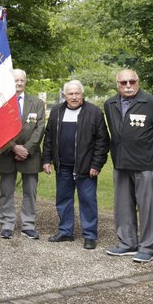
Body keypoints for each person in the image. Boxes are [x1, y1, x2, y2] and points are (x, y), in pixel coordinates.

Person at [103, 69, 153, 263]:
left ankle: (148, 247)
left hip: (146, 164)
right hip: (121, 163)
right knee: (123, 206)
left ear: (138, 82)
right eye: (123, 83)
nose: (128, 86)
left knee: (147, 207)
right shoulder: (110, 104)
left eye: (132, 81)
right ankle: (127, 243)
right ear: (117, 84)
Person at [41, 80, 109, 250]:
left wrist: (96, 165)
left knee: (88, 202)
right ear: (65, 95)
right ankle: (65, 231)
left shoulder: (94, 112)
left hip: (86, 168)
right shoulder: (57, 111)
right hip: (62, 166)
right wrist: (46, 160)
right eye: (70, 94)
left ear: (82, 94)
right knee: (63, 200)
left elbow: (102, 142)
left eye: (77, 93)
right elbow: (48, 138)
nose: (74, 97)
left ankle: (90, 235)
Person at [0, 69, 46, 239]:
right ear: (10, 81)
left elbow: (40, 128)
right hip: (7, 153)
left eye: (22, 80)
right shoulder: (2, 103)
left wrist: (27, 149)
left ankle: (28, 225)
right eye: (16, 80)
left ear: (26, 81)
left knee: (30, 191)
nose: (19, 83)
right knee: (6, 190)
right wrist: (14, 147)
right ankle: (7, 224)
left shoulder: (37, 103)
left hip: (30, 155)